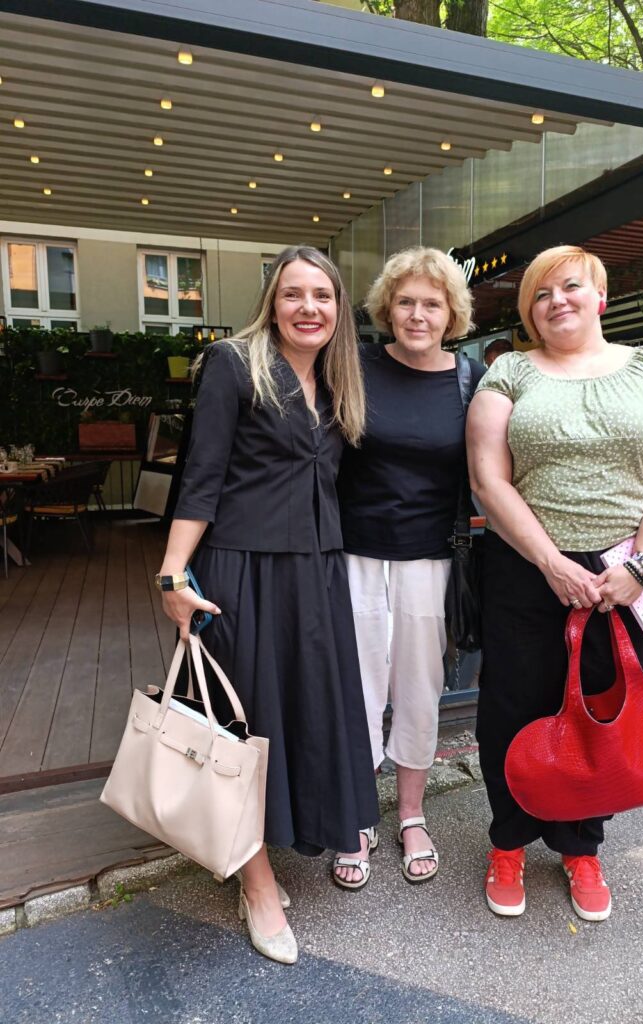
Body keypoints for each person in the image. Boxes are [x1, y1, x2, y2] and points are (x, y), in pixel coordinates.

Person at [157, 246, 379, 963]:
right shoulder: (232, 361)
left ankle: (273, 846)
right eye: (293, 294)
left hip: (316, 574)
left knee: (301, 715)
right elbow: (202, 474)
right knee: (243, 727)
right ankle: (255, 882)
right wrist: (171, 572)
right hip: (244, 571)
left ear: (338, 308)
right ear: (271, 302)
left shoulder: (341, 376)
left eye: (322, 294)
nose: (308, 307)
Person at [466, 244, 643, 922]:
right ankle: (508, 839)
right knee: (512, 706)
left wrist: (641, 566)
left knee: (604, 706)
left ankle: (580, 845)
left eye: (569, 287)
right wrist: (548, 560)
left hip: (627, 569)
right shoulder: (507, 371)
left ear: (598, 297)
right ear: (528, 312)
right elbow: (488, 478)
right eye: (540, 294)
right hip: (524, 564)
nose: (555, 301)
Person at [335, 247, 484, 889]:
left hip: (432, 557)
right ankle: (358, 814)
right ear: (386, 308)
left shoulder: (470, 379)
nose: (417, 314)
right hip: (354, 553)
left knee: (419, 689)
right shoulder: (355, 366)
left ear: (451, 312)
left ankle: (413, 814)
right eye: (405, 302)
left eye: (431, 303)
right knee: (356, 688)